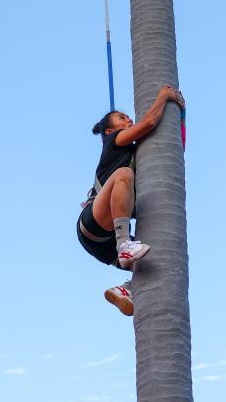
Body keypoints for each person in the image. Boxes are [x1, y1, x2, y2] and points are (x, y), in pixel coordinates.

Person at [77, 84, 185, 317]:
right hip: (95, 226)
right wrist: (164, 96)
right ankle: (125, 244)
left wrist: (181, 119)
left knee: (160, 262)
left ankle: (127, 290)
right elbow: (148, 124)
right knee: (123, 175)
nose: (127, 119)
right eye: (121, 117)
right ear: (109, 131)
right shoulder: (114, 140)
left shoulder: (139, 156)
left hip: (103, 243)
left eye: (127, 117)